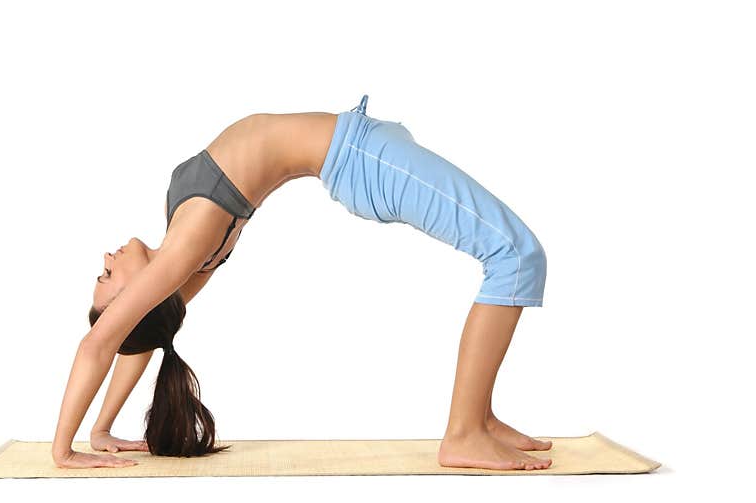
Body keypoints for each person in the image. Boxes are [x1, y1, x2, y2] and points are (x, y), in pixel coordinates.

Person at [51, 94, 551, 472]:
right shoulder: (187, 246)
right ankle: (463, 433)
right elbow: (101, 342)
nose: (106, 258)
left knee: (512, 252)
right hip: (360, 159)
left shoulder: (182, 260)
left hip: (361, 146)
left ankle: (481, 420)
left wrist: (101, 429)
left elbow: (143, 339)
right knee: (515, 254)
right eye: (106, 277)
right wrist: (62, 448)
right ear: (133, 302)